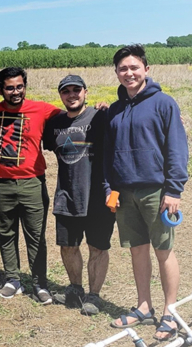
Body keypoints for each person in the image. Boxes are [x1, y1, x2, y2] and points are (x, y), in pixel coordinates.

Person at [105, 44, 188, 341]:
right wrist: (109, 187)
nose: (129, 73)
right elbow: (107, 153)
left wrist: (174, 189)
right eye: (123, 69)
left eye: (134, 67)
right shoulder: (114, 110)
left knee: (163, 251)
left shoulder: (164, 103)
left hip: (157, 191)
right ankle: (144, 306)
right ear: (117, 73)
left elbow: (177, 149)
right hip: (124, 193)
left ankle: (170, 312)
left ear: (146, 69)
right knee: (137, 250)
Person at [0, 67, 61, 304]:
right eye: (10, 88)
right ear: (1, 90)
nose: (16, 92)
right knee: (5, 234)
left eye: (20, 86)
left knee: (36, 236)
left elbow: (74, 115)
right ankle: (12, 280)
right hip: (0, 183)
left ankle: (40, 284)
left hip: (32, 183)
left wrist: (101, 108)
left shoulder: (42, 109)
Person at [43, 75, 115, 315]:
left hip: (98, 198)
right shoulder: (54, 124)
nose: (71, 95)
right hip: (66, 196)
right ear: (60, 95)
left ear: (86, 91)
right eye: (66, 91)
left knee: (98, 247)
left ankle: (94, 296)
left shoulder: (101, 117)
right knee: (68, 246)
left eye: (76, 90)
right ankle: (75, 288)